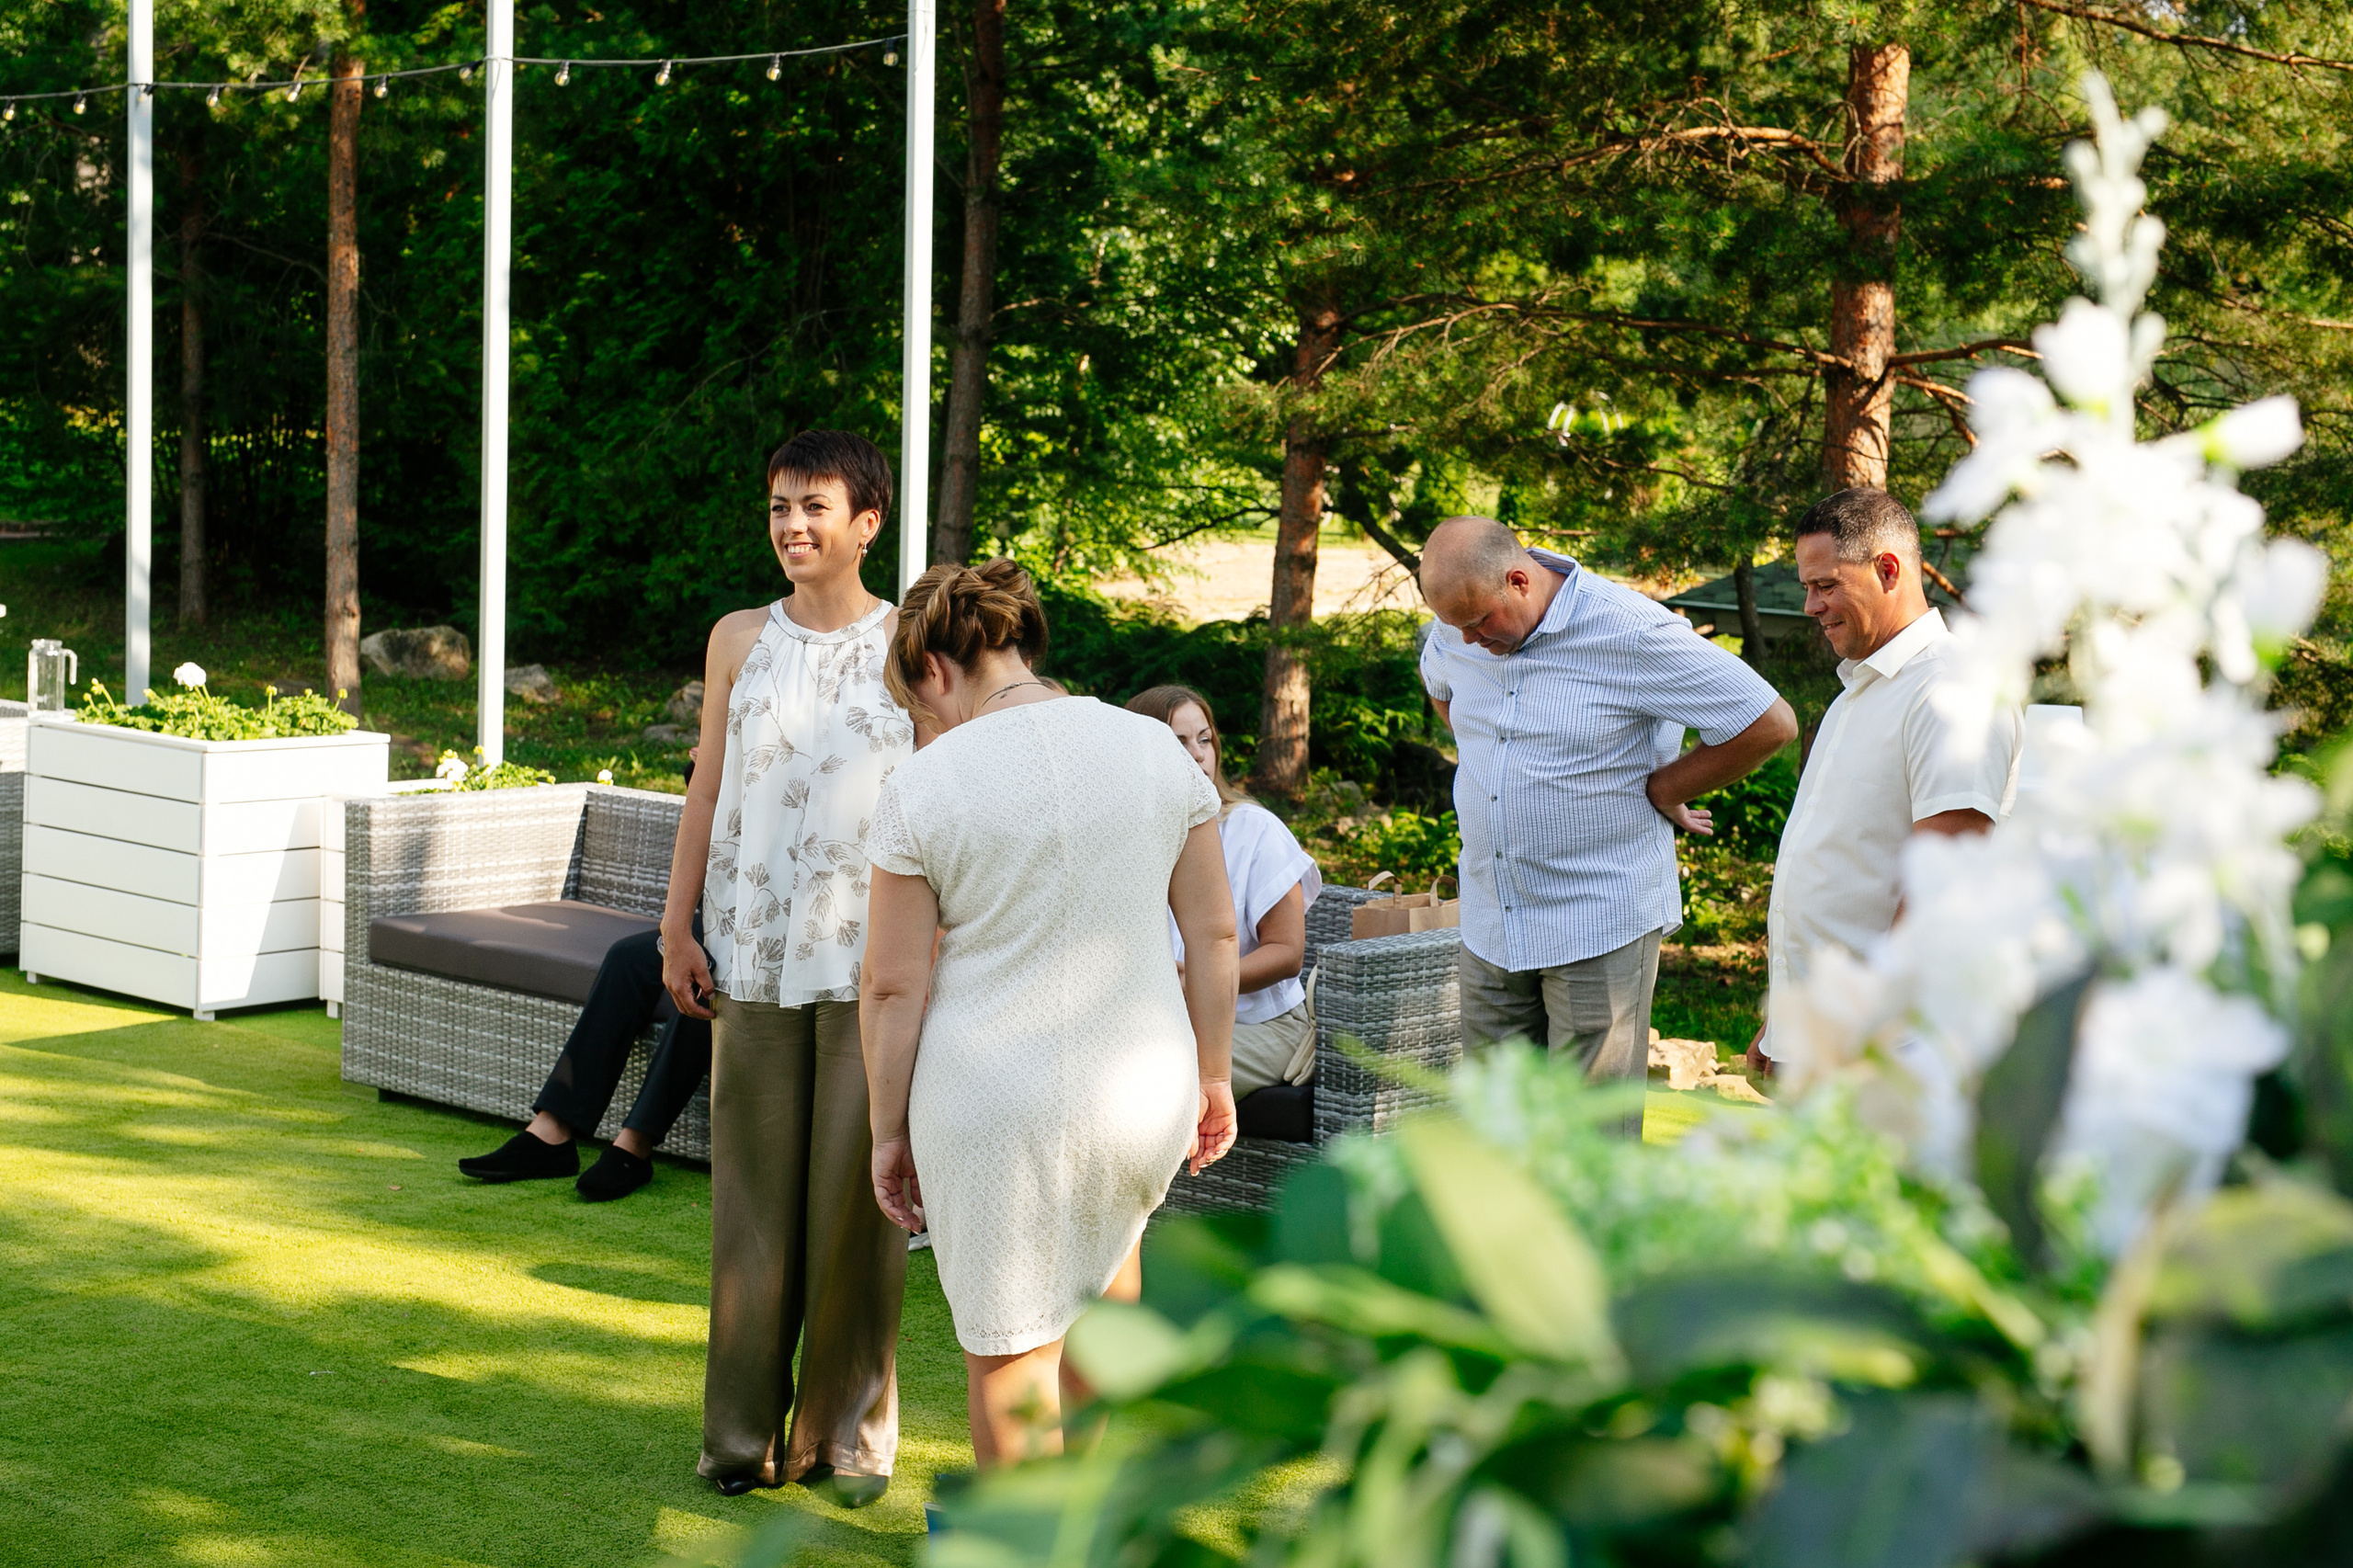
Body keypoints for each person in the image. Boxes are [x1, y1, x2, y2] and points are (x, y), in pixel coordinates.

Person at [858, 560, 1239, 1468]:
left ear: (934, 668)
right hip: (1142, 1086)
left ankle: (1030, 1531)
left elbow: (892, 986)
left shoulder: (924, 784)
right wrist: (1215, 1073)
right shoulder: (1155, 750)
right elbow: (1216, 933)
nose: (926, 723)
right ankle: (1086, 1517)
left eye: (918, 703)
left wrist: (886, 1130)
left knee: (1011, 1352)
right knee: (1108, 1289)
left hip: (993, 1101)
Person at [658, 429, 915, 1504]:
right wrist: (676, 926)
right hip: (751, 956)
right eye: (778, 506)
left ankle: (843, 1440)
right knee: (750, 1211)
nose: (792, 525)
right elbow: (707, 787)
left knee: (859, 1210)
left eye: (814, 505)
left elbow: (939, 805)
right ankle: (739, 1440)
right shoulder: (736, 638)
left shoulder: (912, 643)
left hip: (870, 968)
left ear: (867, 522)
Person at [1416, 516, 1797, 1135]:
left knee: (1591, 1142)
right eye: (1454, 625)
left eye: (1480, 623)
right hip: (1491, 919)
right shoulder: (1459, 624)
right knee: (1495, 1133)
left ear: (1518, 581)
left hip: (1596, 920)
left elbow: (1768, 722)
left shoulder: (1630, 631)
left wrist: (1666, 786)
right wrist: (1496, 761)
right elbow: (1440, 678)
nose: (1468, 640)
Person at [1751, 487, 2021, 1072]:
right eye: (1807, 587)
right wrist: (1787, 1024)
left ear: (1888, 570)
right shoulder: (1863, 690)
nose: (1810, 606)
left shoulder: (1951, 691)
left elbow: (1941, 887)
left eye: (1826, 585)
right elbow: (1844, 864)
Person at [1125, 685, 1323, 1099]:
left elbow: (1287, 953)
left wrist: (1198, 980)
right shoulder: (1127, 841)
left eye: (1204, 739)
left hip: (1263, 1026)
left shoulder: (1254, 829)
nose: (1198, 755)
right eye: (1178, 742)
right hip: (1159, 1025)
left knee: (1150, 1080)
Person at [455, 916, 710, 1200]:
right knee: (626, 957)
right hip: (716, 914)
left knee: (712, 981)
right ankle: (553, 1131)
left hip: (748, 939)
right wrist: (676, 930)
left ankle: (636, 1143)